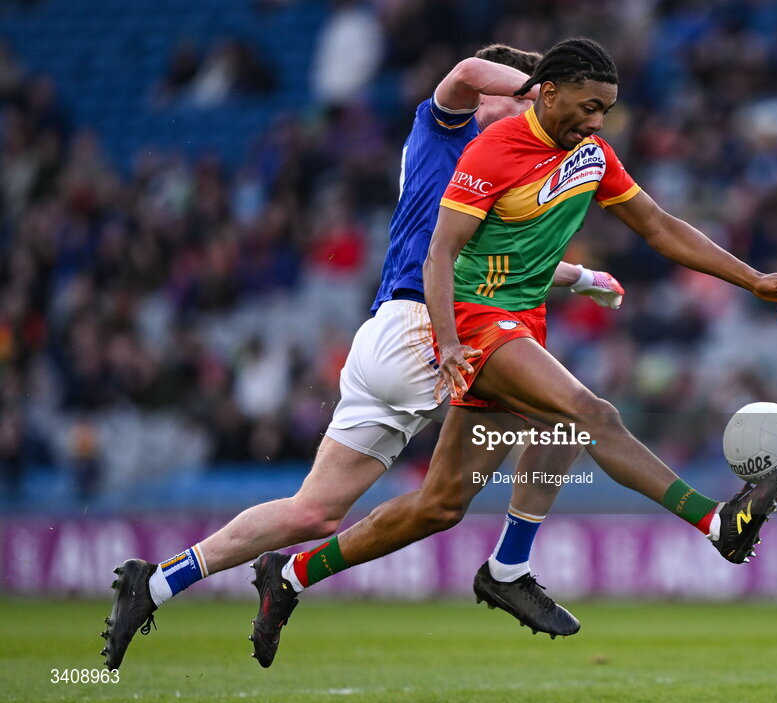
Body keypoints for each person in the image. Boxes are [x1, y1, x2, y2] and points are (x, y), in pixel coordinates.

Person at [251, 38, 777, 667]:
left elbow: (659, 228)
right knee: (589, 414)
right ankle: (716, 526)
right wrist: (450, 340)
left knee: (440, 506)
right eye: (589, 106)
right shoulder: (494, 150)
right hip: (477, 324)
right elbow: (440, 253)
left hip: (520, 327)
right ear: (548, 92)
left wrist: (753, 278)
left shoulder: (592, 157)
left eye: (607, 110)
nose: (598, 122)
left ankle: (292, 573)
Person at [102, 44, 627, 671]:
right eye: (515, 98)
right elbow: (464, 74)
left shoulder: (510, 168)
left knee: (314, 510)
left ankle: (158, 582)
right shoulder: (446, 128)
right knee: (563, 416)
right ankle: (510, 566)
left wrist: (581, 277)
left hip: (385, 339)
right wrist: (542, 87)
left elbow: (500, 269)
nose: (524, 113)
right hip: (422, 332)